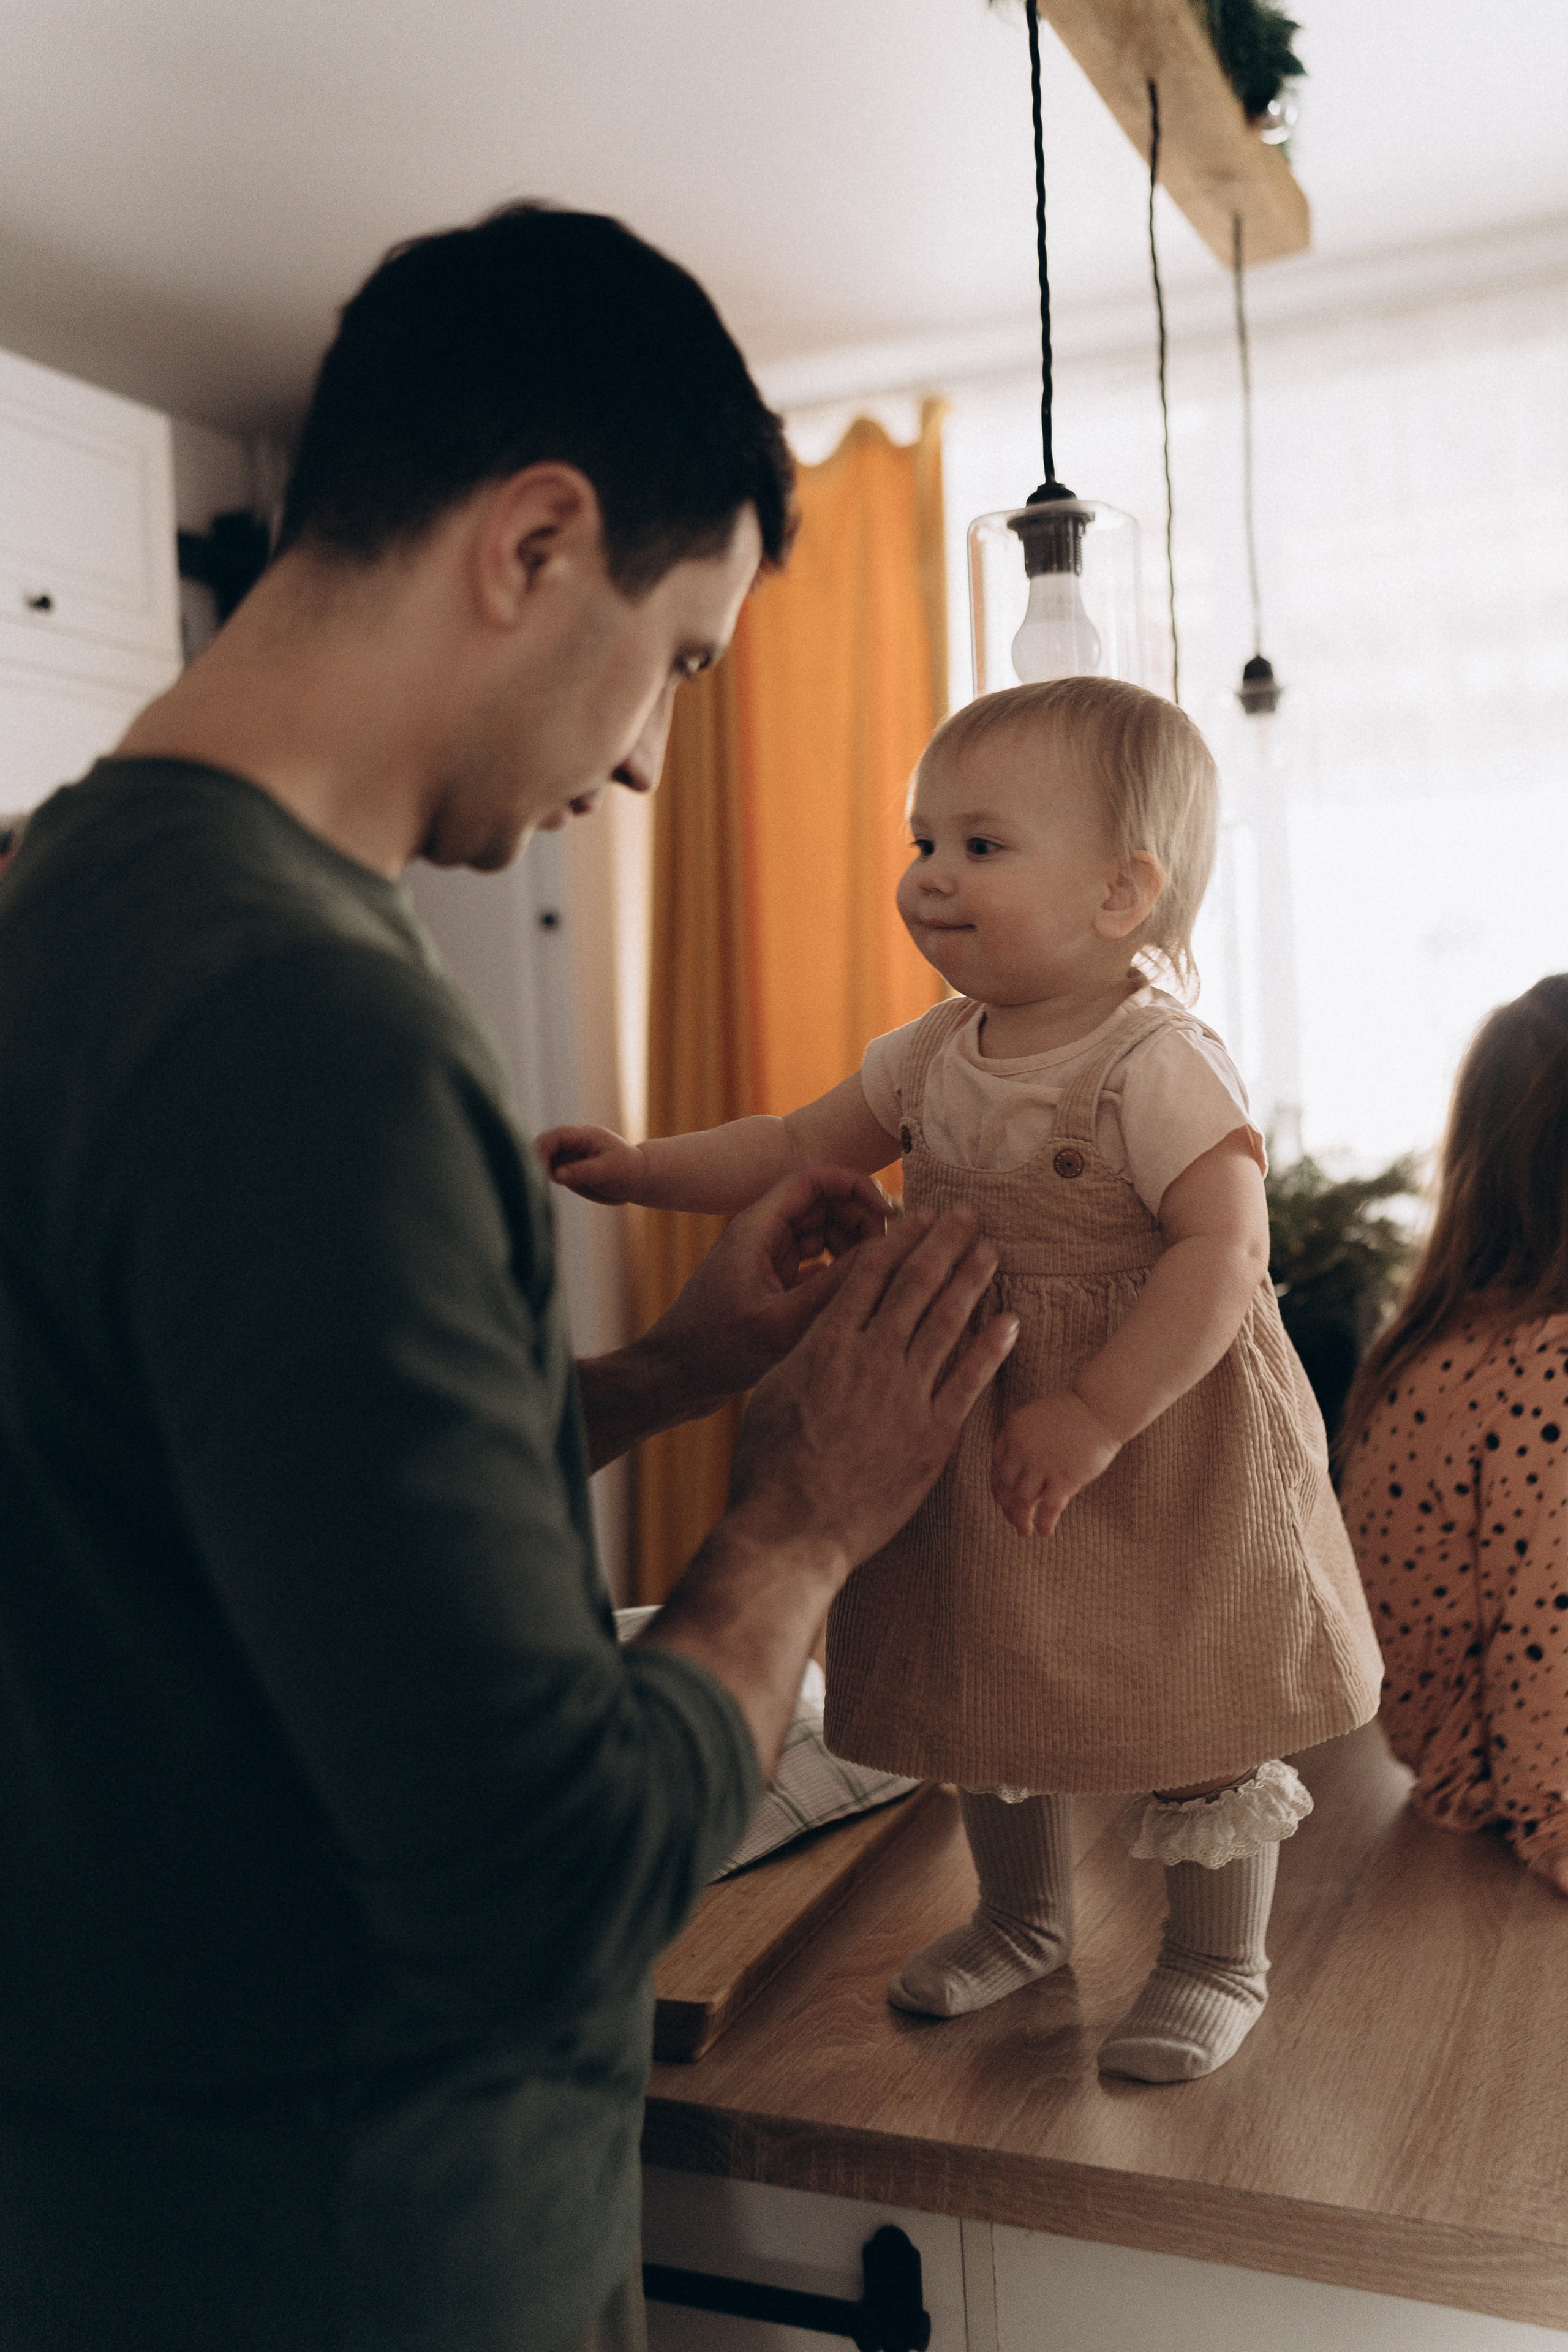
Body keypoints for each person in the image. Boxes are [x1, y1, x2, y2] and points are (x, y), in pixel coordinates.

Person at [0, 202, 1019, 2352]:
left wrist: (659, 1374)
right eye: (678, 662)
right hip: (361, 2249)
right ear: (536, 539)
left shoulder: (54, 897)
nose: (651, 755)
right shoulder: (320, 1027)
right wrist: (799, 1522)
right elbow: (547, 1886)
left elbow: (222, 1495)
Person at [544, 677, 1385, 2084]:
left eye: (979, 847)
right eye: (923, 841)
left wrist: (1098, 1412)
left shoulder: (1155, 1060)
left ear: (1124, 892)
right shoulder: (933, 1052)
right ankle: (1023, 1914)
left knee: (1190, 1692)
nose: (927, 877)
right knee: (985, 1666)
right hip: (972, 1404)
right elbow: (788, 1141)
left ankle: (1213, 1955)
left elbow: (1222, 1257)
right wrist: (643, 1174)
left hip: (1149, 1436)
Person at [1338, 977, 1568, 1897]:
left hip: (1471, 1729)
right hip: (1495, 1753)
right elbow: (1549, 1651)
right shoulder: (1548, 1368)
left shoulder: (1461, 1333)